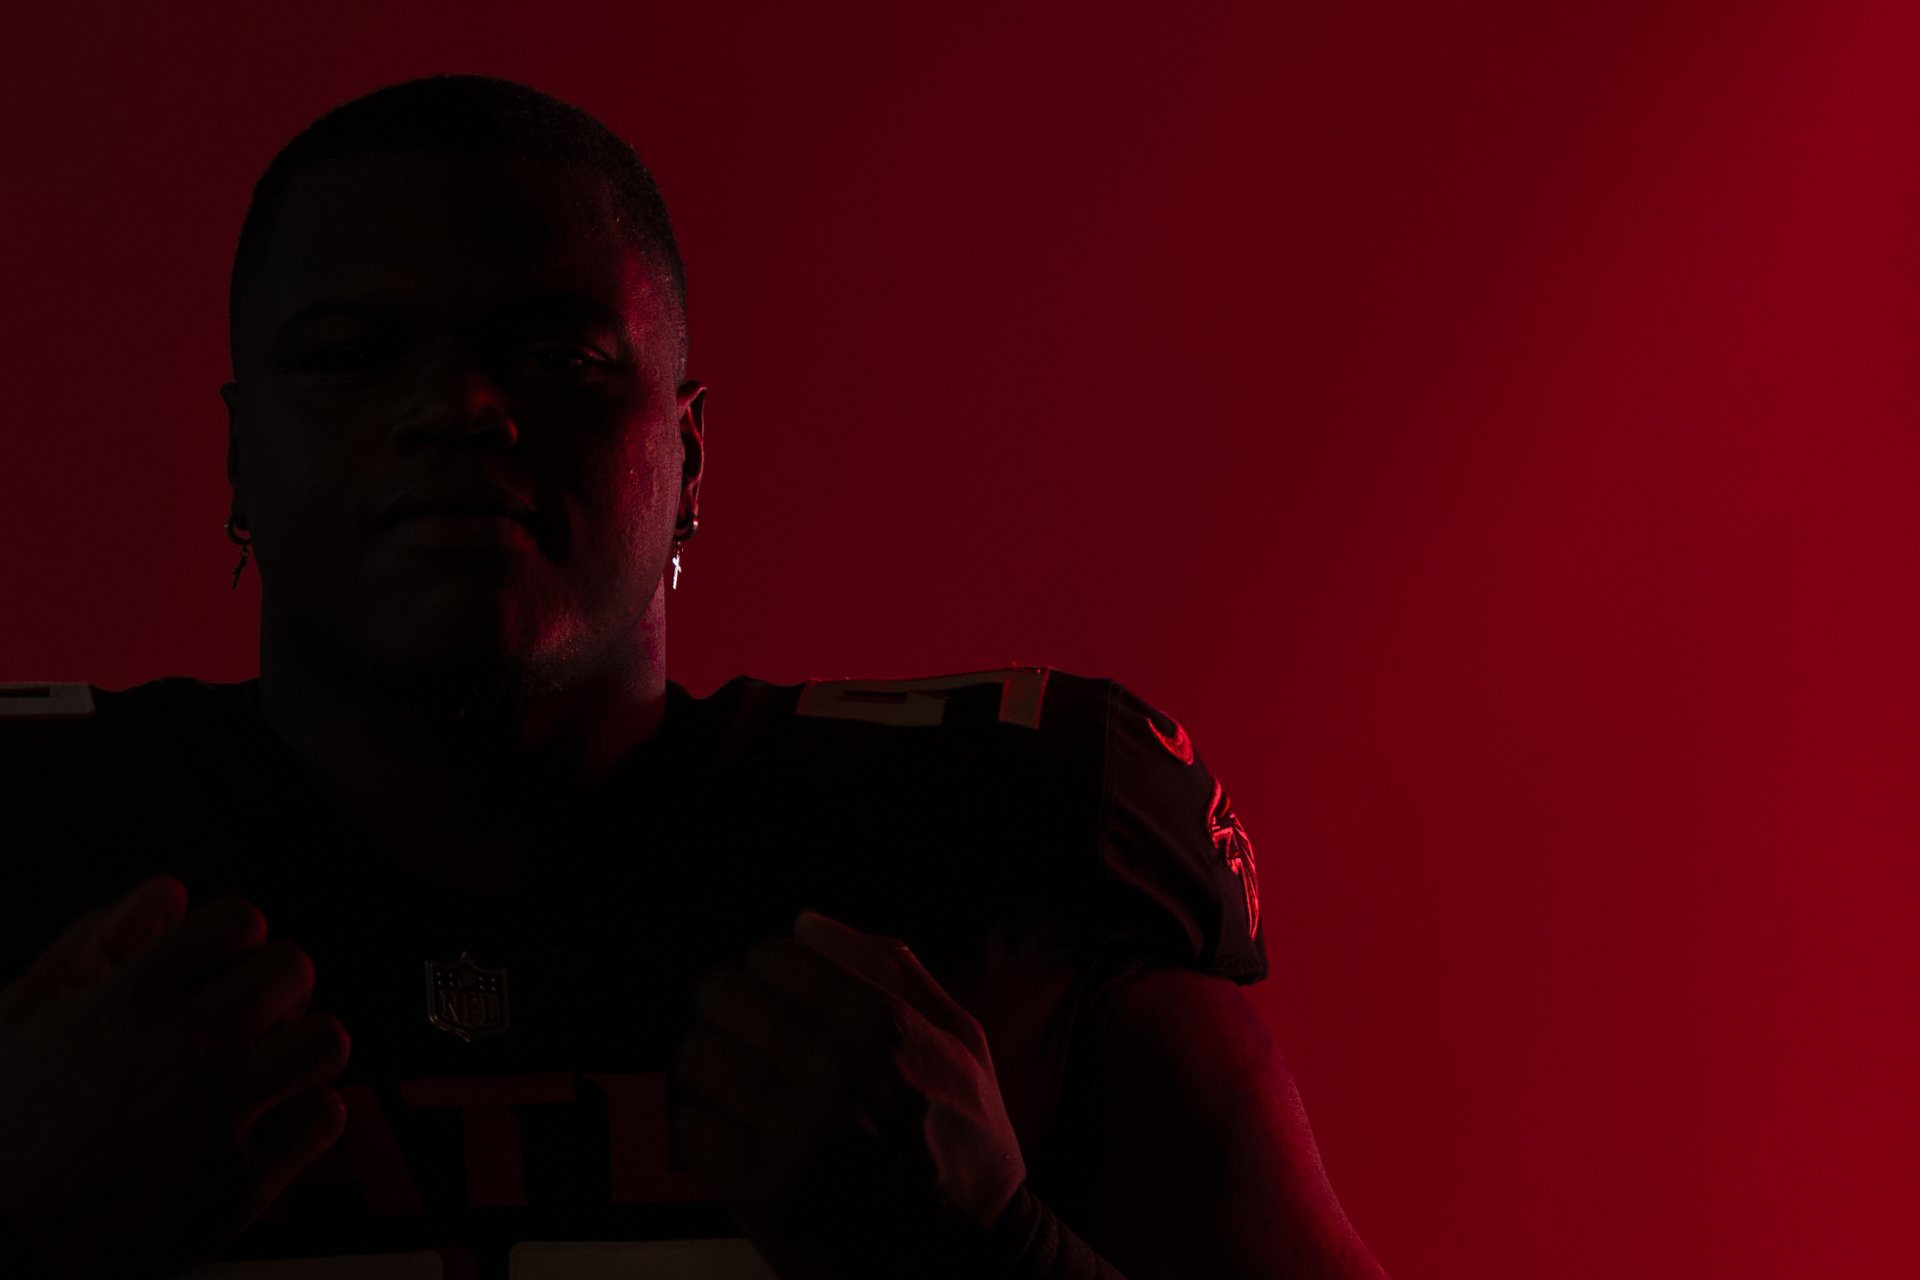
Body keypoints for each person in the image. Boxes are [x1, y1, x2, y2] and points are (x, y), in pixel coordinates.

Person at [0, 75, 1389, 1280]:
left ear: (690, 460)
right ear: (241, 456)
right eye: (354, 357)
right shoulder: (37, 837)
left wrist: (990, 1258)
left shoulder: (1001, 848)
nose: (459, 411)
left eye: (560, 356)